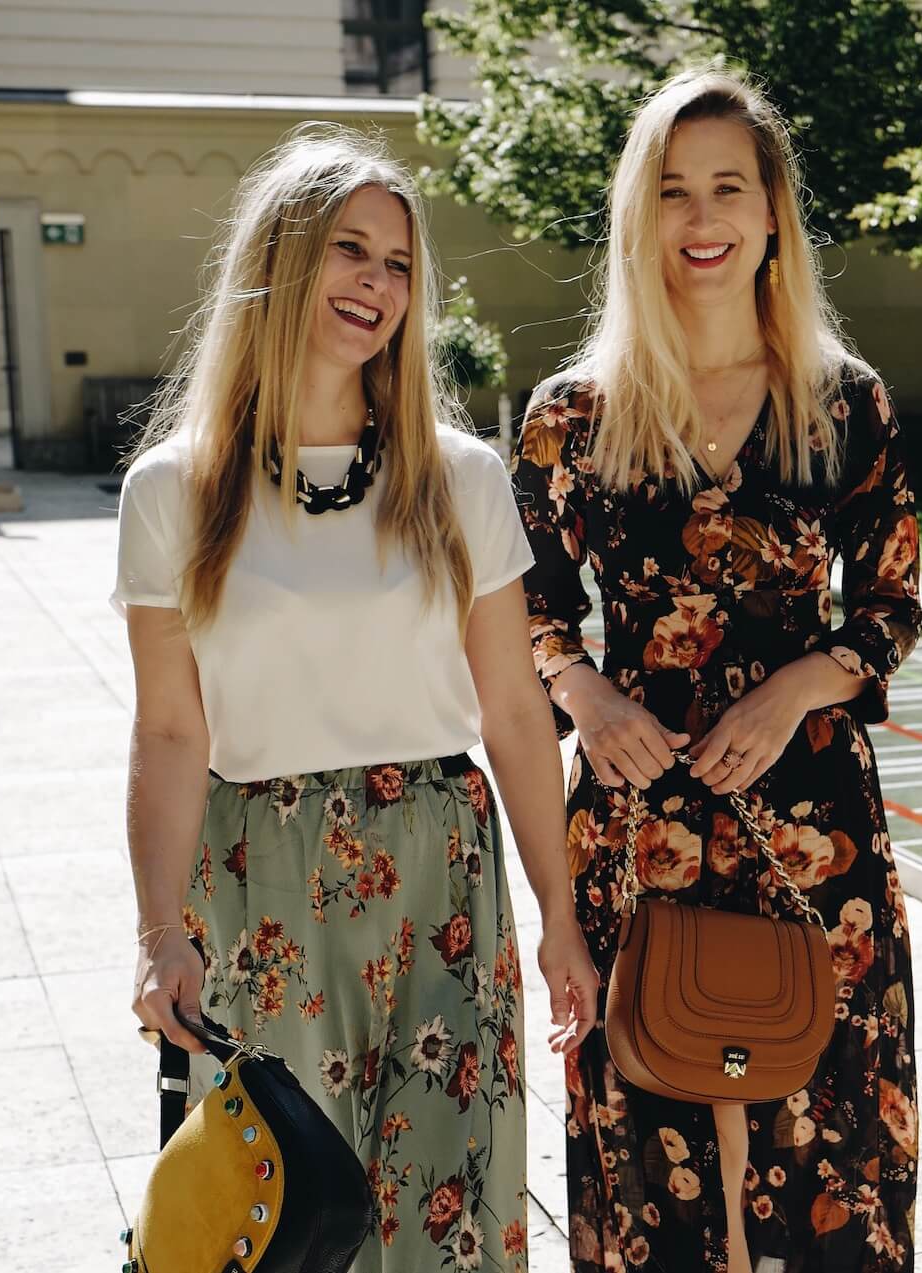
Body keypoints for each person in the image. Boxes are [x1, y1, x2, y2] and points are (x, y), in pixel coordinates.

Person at [116, 123, 599, 1273]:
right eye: (350, 251)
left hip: (440, 864)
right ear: (279, 261)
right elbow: (171, 730)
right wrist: (156, 933)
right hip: (257, 879)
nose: (377, 285)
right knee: (284, 1218)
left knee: (449, 1211)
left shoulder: (458, 476)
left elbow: (516, 712)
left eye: (397, 264)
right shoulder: (173, 492)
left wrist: (561, 914)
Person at [512, 64, 922, 1273]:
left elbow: (892, 606)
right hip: (637, 815)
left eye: (728, 189)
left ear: (773, 212)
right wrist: (581, 691)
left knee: (826, 1132)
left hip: (812, 813)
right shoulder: (569, 416)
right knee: (650, 1129)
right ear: (640, 216)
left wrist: (799, 683)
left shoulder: (846, 405)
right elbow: (528, 612)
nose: (702, 221)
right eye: (674, 192)